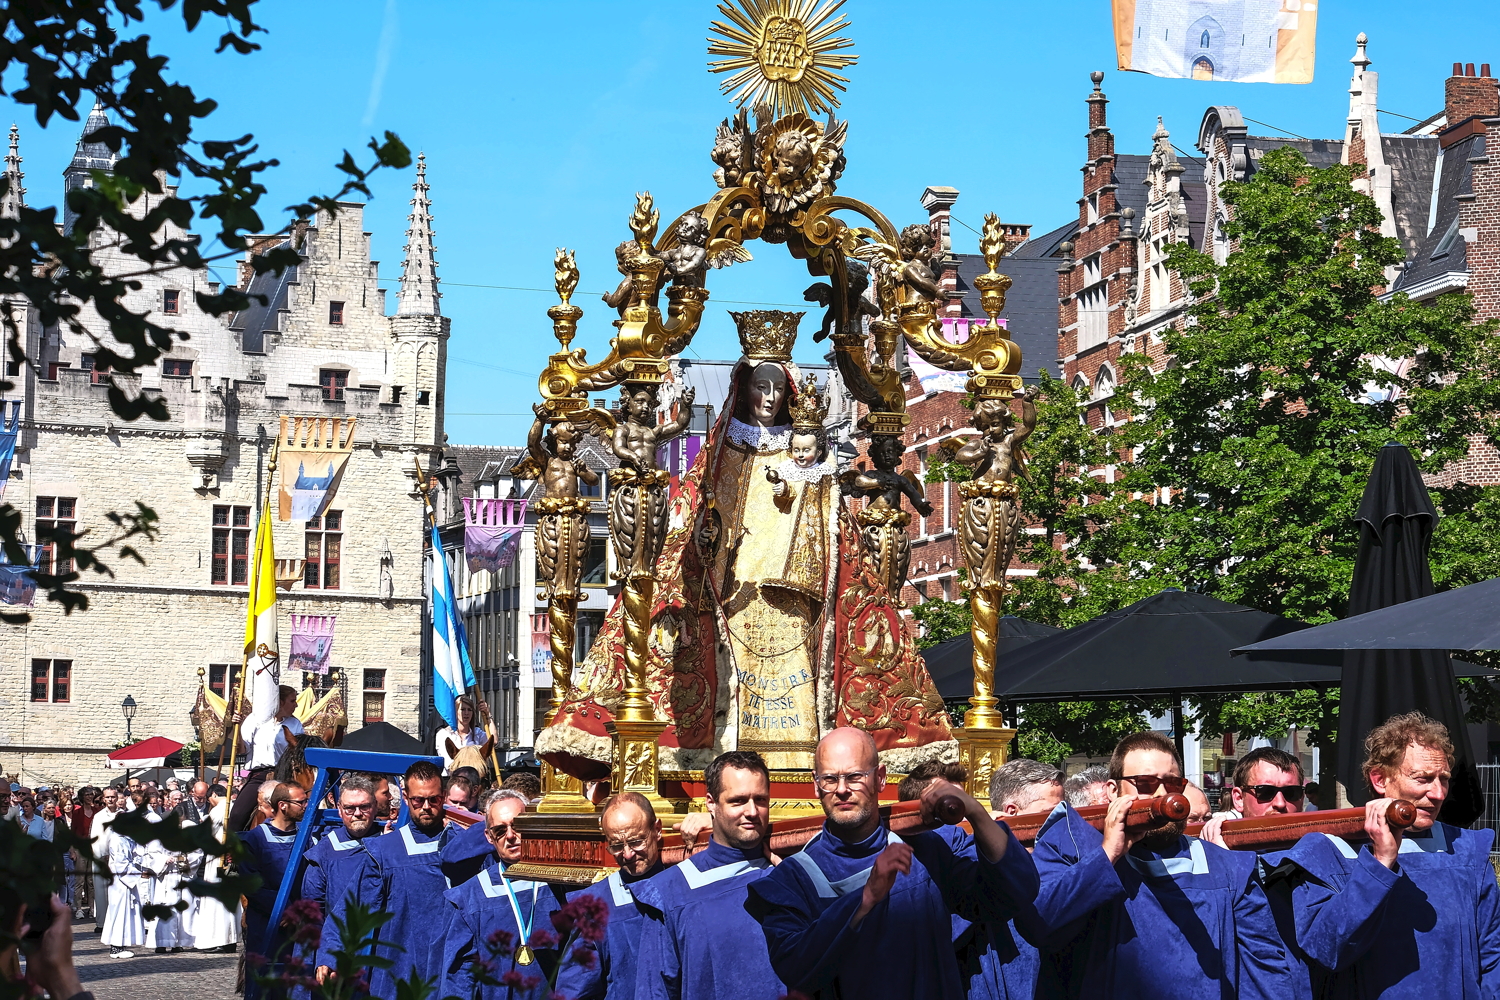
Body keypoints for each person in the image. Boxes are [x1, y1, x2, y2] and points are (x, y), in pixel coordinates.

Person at [747, 729, 1038, 1000]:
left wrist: (974, 810)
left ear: (881, 778)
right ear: (815, 785)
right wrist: (864, 901)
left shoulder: (924, 849)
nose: (842, 789)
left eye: (855, 776)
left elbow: (1010, 895)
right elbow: (796, 969)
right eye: (830, 779)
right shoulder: (793, 878)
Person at [1028, 731, 1287, 999]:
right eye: (1145, 783)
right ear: (1113, 791)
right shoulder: (1071, 843)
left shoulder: (1230, 869)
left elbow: (1265, 972)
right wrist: (1107, 855)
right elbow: (1038, 924)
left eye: (1174, 784)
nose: (1163, 795)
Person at [1271, 712, 1500, 999]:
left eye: (1444, 779)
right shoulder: (1326, 852)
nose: (1439, 792)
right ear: (1380, 779)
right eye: (1423, 778)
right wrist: (1380, 864)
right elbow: (1328, 950)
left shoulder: (1466, 851)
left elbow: (1493, 956)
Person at [632, 750, 784, 1000]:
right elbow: (654, 991)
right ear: (711, 803)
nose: (753, 812)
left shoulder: (789, 874)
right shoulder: (671, 892)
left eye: (761, 800)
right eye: (738, 801)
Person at [330, 761, 453, 997]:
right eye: (418, 800)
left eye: (433, 799)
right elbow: (351, 907)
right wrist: (330, 952)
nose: (426, 807)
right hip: (399, 968)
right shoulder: (384, 851)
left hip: (446, 969)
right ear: (406, 798)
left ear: (444, 796)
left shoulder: (462, 846)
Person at [438, 789, 565, 999]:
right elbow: (460, 975)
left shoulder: (561, 883)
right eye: (499, 830)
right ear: (489, 837)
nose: (510, 836)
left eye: (517, 826)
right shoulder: (469, 897)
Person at [962, 759, 1068, 1000]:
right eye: (1050, 812)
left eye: (1065, 810)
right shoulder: (970, 861)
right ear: (1011, 812)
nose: (1062, 820)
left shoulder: (1067, 857)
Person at [555, 792, 668, 999]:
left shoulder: (683, 890)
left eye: (636, 841)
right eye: (616, 846)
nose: (627, 854)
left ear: (657, 830)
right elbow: (575, 990)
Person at [308, 776, 380, 984]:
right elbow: (314, 910)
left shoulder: (391, 845)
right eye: (350, 808)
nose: (357, 813)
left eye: (364, 807)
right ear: (339, 809)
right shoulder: (324, 852)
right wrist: (325, 956)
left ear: (375, 807)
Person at [239, 782, 308, 963]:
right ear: (282, 805)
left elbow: (314, 879)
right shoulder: (255, 839)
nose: (305, 806)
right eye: (301, 802)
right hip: (267, 922)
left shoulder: (309, 837)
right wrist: (283, 909)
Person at [229, 684, 304, 832]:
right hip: (260, 776)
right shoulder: (255, 719)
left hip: (285, 777)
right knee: (237, 815)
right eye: (292, 701)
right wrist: (236, 728)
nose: (296, 705)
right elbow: (241, 749)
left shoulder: (295, 724)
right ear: (280, 702)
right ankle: (233, 851)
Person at [186, 783, 238, 953]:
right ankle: (231, 939)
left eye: (210, 800)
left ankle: (220, 938)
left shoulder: (218, 810)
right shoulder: (234, 807)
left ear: (214, 795)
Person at [1210, 747, 1306, 821]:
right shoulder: (1213, 845)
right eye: (1266, 792)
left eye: (1291, 793)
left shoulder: (1318, 844)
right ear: (1239, 799)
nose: (1280, 803)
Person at [102, 817, 147, 959]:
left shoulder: (126, 838)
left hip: (125, 881)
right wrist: (138, 873)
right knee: (120, 912)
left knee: (126, 912)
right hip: (120, 881)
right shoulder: (117, 840)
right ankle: (116, 946)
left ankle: (121, 944)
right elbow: (120, 864)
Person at [90, 786, 121, 932]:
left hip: (119, 860)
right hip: (101, 859)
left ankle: (117, 922)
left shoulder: (123, 815)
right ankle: (101, 923)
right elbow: (95, 838)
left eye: (113, 797)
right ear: (103, 799)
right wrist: (101, 855)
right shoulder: (99, 816)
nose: (110, 799)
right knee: (101, 891)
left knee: (117, 892)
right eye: (107, 797)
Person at [436, 695, 490, 773]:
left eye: (469, 710)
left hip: (475, 779)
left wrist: (488, 715)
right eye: (463, 709)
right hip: (452, 779)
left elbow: (494, 740)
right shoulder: (443, 734)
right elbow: (449, 764)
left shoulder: (477, 733)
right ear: (455, 712)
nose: (466, 713)